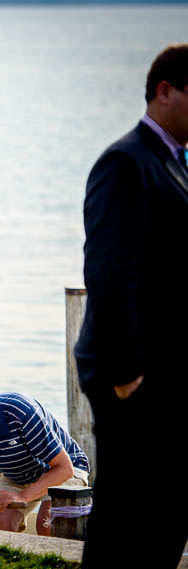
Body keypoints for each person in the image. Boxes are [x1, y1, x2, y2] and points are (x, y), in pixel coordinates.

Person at [75, 44, 188, 568]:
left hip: (166, 375)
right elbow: (107, 272)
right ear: (165, 91)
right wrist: (127, 377)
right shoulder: (127, 161)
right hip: (134, 381)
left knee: (165, 515)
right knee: (126, 518)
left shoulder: (172, 162)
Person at [0, 384, 90, 536]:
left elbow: (64, 468)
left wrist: (22, 496)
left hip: (60, 470)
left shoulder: (22, 412)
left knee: (48, 523)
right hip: (16, 474)